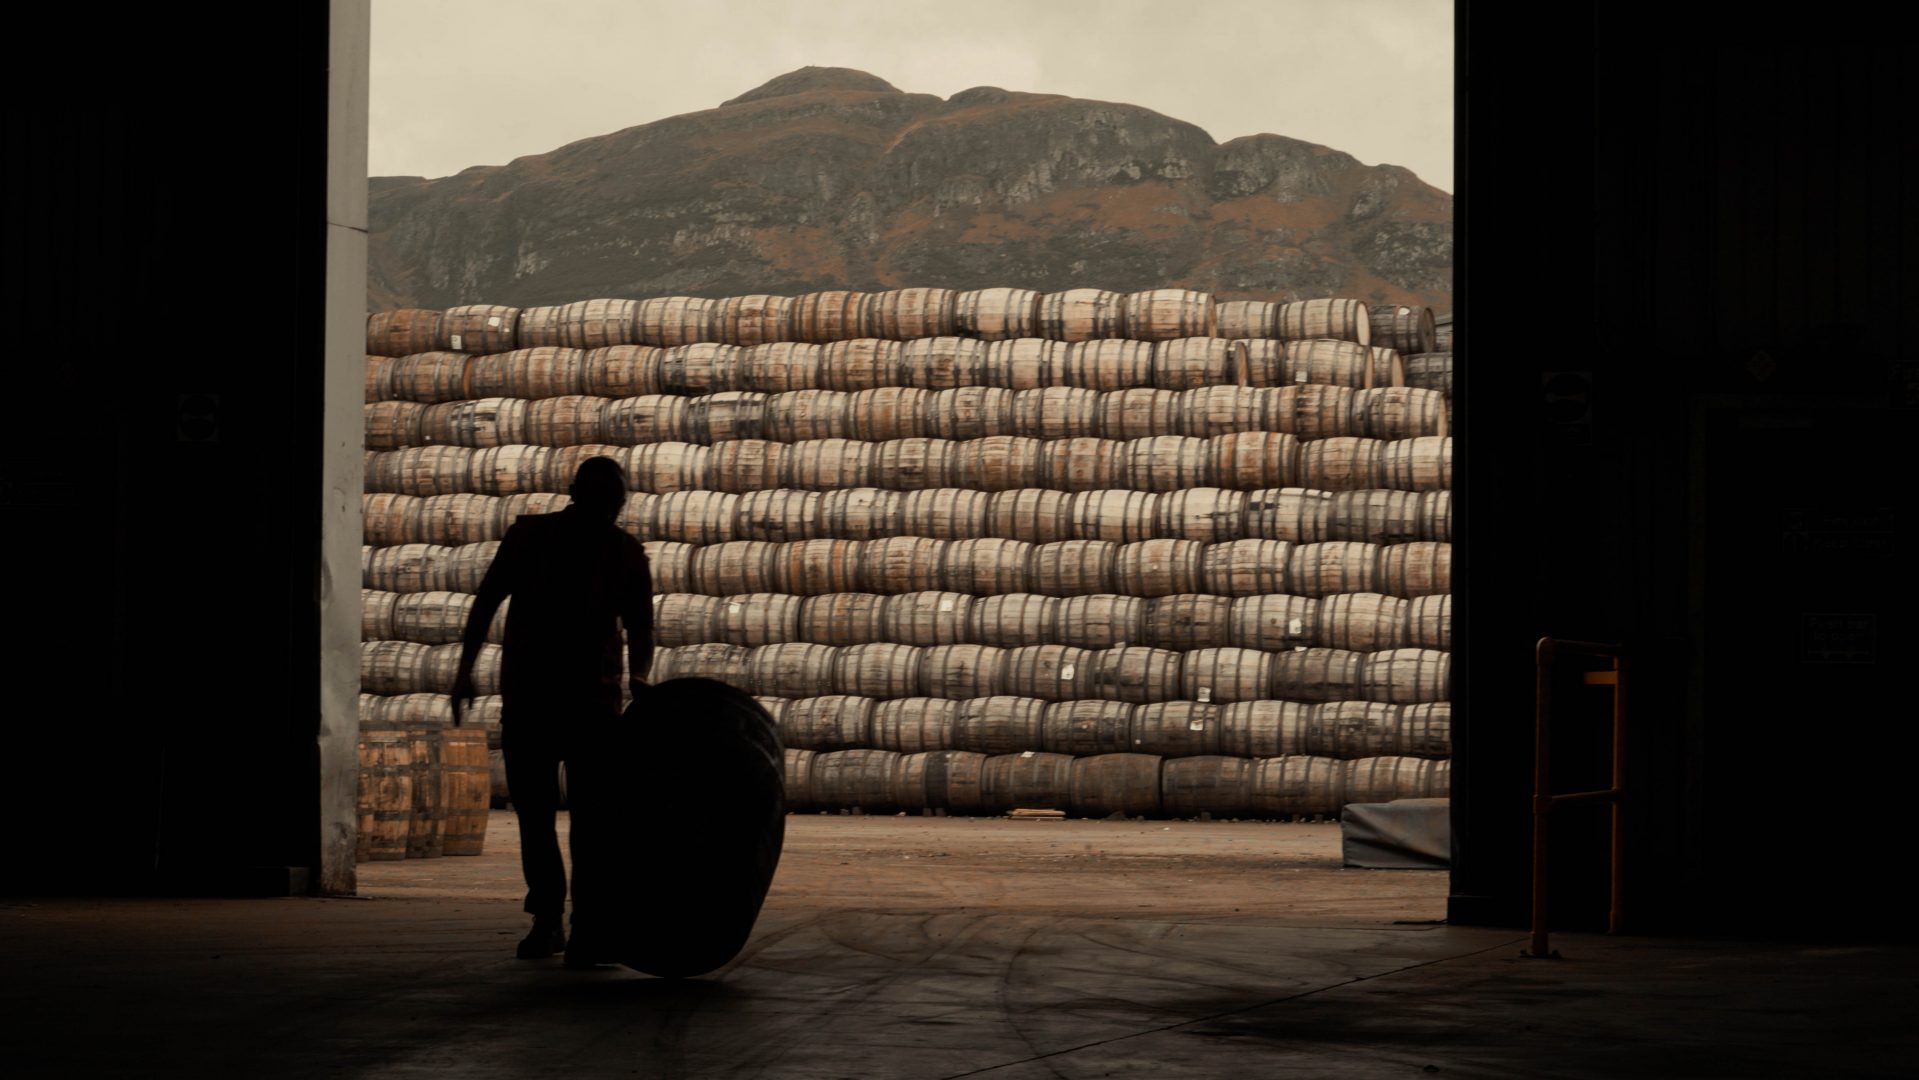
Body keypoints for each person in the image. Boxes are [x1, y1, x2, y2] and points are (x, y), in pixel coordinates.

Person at [451, 456, 652, 965]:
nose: (609, 509)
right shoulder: (536, 539)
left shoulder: (620, 552)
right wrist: (464, 669)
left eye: (615, 502)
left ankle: (578, 925)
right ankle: (555, 922)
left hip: (576, 703)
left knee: (579, 820)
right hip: (546, 700)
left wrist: (641, 678)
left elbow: (642, 629)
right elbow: (487, 601)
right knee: (548, 817)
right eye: (604, 499)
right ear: (577, 494)